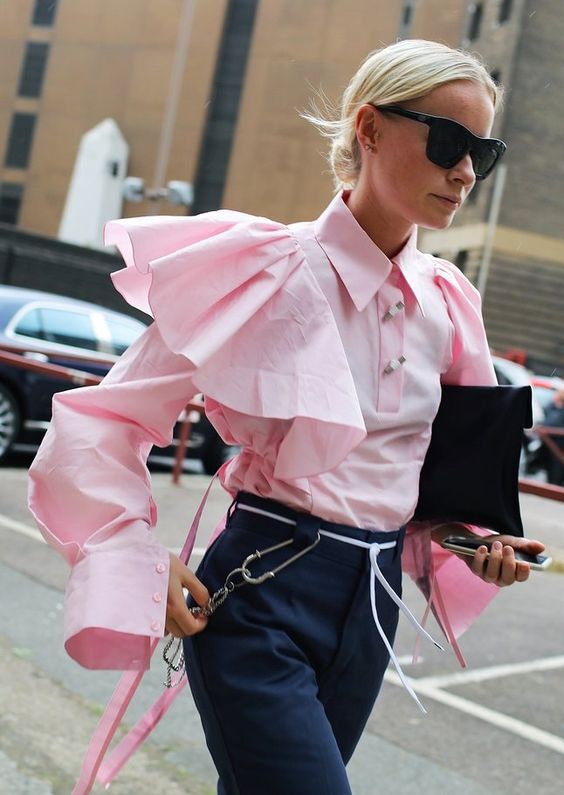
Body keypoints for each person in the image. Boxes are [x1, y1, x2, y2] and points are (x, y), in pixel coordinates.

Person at [28, 39, 546, 795]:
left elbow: (445, 472)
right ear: (369, 129)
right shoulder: (265, 268)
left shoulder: (449, 301)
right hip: (263, 592)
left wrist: (475, 537)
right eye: (449, 143)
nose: (466, 172)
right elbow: (104, 419)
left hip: (374, 610)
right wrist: (131, 551)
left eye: (484, 153)